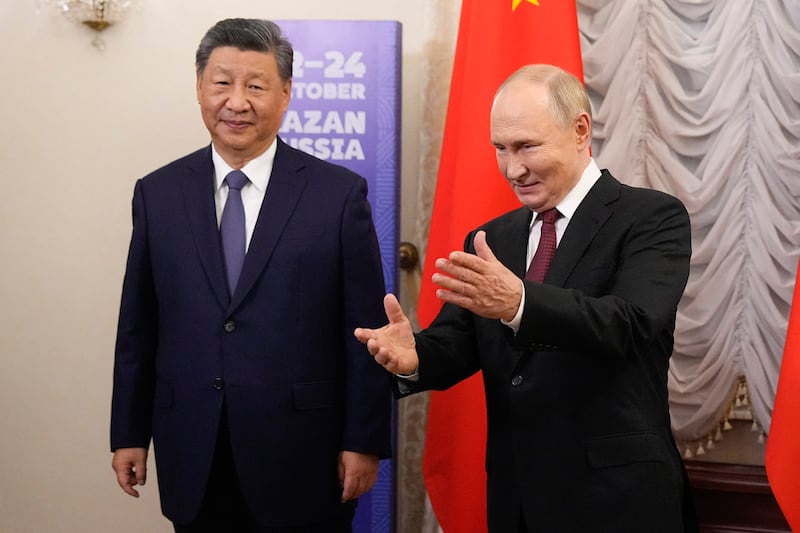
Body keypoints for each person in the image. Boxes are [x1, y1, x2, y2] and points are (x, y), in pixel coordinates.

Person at [355, 64, 697, 533]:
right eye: (501, 148)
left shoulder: (651, 217)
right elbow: (458, 344)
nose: (512, 168)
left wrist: (521, 305)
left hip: (618, 500)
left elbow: (630, 324)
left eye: (526, 146)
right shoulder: (492, 237)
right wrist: (413, 355)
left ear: (580, 130)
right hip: (518, 500)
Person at [110, 18, 391, 532]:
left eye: (256, 86)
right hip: (193, 446)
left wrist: (364, 439)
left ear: (285, 94)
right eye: (222, 83)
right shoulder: (158, 194)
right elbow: (138, 327)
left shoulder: (337, 196)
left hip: (304, 454)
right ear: (199, 87)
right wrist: (128, 431)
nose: (236, 102)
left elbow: (366, 332)